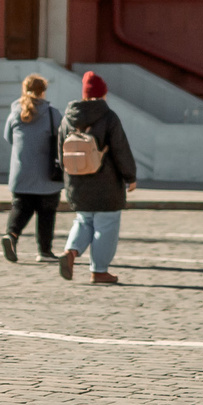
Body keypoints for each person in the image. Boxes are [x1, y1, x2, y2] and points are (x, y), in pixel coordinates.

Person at [58, 71, 138, 284]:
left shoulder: (68, 118)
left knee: (84, 220)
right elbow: (120, 149)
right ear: (103, 94)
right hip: (106, 184)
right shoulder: (108, 117)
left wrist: (65, 179)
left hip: (77, 181)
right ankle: (99, 271)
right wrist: (130, 177)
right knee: (106, 225)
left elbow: (59, 152)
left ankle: (70, 253)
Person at [1, 74, 62, 261]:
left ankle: (11, 235)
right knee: (46, 212)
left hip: (22, 171)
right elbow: (61, 139)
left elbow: (8, 138)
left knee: (20, 207)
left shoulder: (15, 112)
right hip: (47, 173)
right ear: (43, 91)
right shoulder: (52, 113)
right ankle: (44, 251)